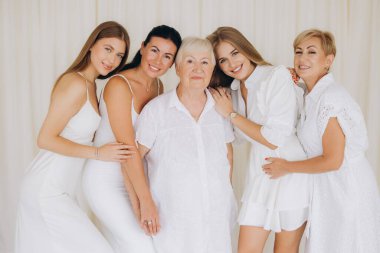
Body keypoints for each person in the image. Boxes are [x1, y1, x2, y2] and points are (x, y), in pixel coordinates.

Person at [15, 21, 131, 253]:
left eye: (119, 55)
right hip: (45, 190)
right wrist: (98, 153)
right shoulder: (75, 82)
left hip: (62, 190)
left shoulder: (92, 86)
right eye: (107, 49)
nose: (113, 60)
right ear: (91, 46)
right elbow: (45, 138)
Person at [263, 29, 380, 253]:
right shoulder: (310, 95)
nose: (302, 58)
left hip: (346, 188)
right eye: (298, 52)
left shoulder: (330, 98)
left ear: (328, 60)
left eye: (311, 52)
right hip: (328, 190)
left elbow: (333, 160)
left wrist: (286, 167)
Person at [207, 26, 310, 253]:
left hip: (291, 174)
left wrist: (231, 115)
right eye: (222, 60)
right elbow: (238, 139)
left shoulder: (276, 75)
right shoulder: (233, 90)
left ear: (245, 49)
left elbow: (275, 139)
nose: (231, 64)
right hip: (260, 174)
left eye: (235, 53)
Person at [82, 25, 182, 253]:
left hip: (136, 180)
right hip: (104, 180)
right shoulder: (119, 85)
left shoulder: (159, 87)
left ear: (173, 63)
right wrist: (145, 202)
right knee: (140, 245)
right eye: (154, 50)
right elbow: (128, 148)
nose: (158, 60)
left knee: (151, 243)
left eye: (167, 56)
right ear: (143, 48)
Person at [135, 37, 237, 253]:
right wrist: (145, 204)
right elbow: (134, 157)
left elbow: (228, 155)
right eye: (190, 62)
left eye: (205, 62)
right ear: (178, 68)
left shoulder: (221, 108)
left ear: (212, 69)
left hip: (216, 216)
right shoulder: (157, 110)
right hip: (173, 219)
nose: (197, 69)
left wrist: (224, 197)